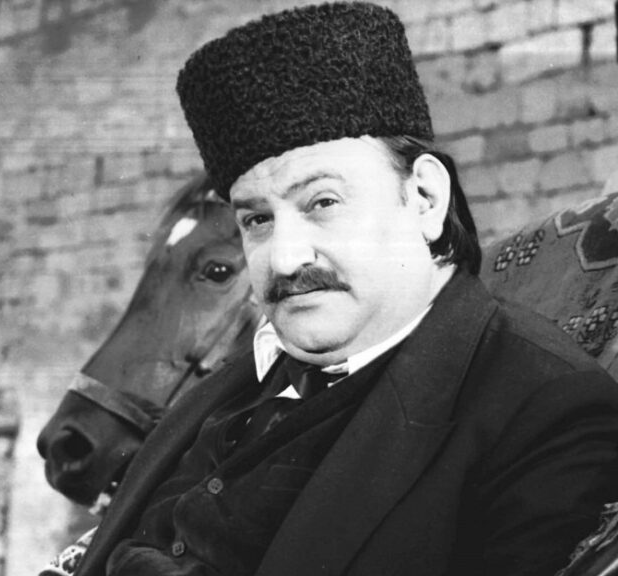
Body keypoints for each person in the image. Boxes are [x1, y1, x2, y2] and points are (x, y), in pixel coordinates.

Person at [70, 3, 618, 575]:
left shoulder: (543, 412)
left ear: (425, 198)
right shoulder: (237, 380)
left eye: (323, 202)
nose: (286, 258)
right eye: (257, 219)